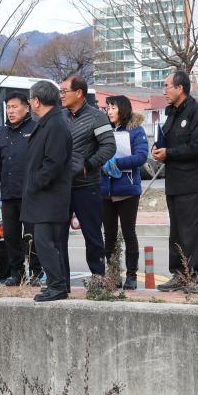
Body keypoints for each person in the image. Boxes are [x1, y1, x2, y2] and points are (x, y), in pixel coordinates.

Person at [151, 70, 198, 292]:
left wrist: (170, 153)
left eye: (167, 86)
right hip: (175, 183)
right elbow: (167, 141)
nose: (164, 91)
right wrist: (158, 150)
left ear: (180, 88)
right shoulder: (172, 114)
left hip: (194, 184)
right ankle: (179, 274)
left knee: (192, 233)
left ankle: (196, 277)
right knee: (176, 232)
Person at [59, 75, 116, 287]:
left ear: (79, 93)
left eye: (65, 91)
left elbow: (109, 146)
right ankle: (61, 281)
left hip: (87, 186)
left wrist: (88, 165)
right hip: (62, 188)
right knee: (58, 236)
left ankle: (98, 278)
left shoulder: (96, 117)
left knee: (92, 235)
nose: (61, 95)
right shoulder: (60, 117)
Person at [22, 81, 73, 302]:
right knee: (45, 243)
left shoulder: (56, 125)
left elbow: (53, 163)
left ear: (36, 101)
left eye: (31, 99)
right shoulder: (48, 123)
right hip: (44, 197)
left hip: (49, 196)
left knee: (46, 243)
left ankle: (57, 285)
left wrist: (35, 182)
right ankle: (55, 284)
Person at [0, 91, 42, 285]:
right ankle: (17, 273)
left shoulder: (36, 129)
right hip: (8, 195)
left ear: (26, 107)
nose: (11, 111)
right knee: (10, 236)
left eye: (15, 106)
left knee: (32, 236)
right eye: (8, 107)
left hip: (31, 194)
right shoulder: (1, 133)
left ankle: (36, 272)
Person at [99, 95, 149, 290]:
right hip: (105, 190)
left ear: (123, 109)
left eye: (112, 107)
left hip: (128, 190)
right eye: (107, 107)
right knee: (109, 235)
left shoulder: (136, 130)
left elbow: (141, 156)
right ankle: (112, 275)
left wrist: (117, 162)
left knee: (129, 233)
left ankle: (131, 276)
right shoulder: (104, 131)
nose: (109, 111)